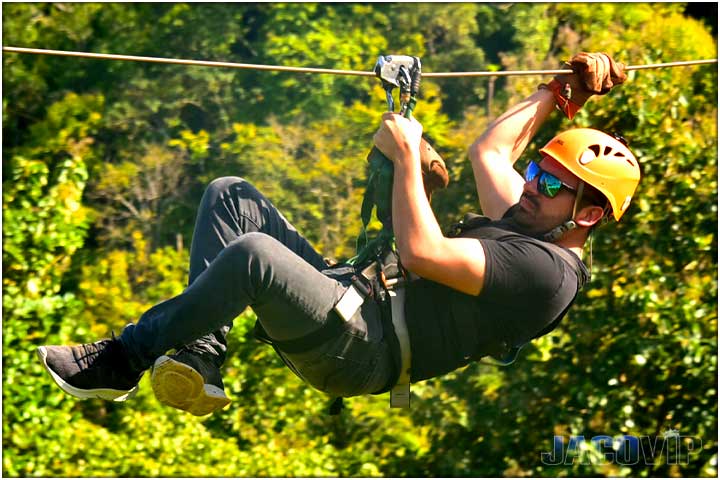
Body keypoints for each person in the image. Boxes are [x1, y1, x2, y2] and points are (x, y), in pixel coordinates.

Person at [37, 52, 640, 416]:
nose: (531, 183)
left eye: (553, 185)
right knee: (232, 197)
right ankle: (201, 354)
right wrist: (561, 91)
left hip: (365, 347)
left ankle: (121, 359)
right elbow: (492, 151)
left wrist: (407, 159)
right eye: (537, 170)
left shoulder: (547, 272)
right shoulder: (534, 218)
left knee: (254, 256)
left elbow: (423, 254)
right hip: (352, 301)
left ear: (586, 216)